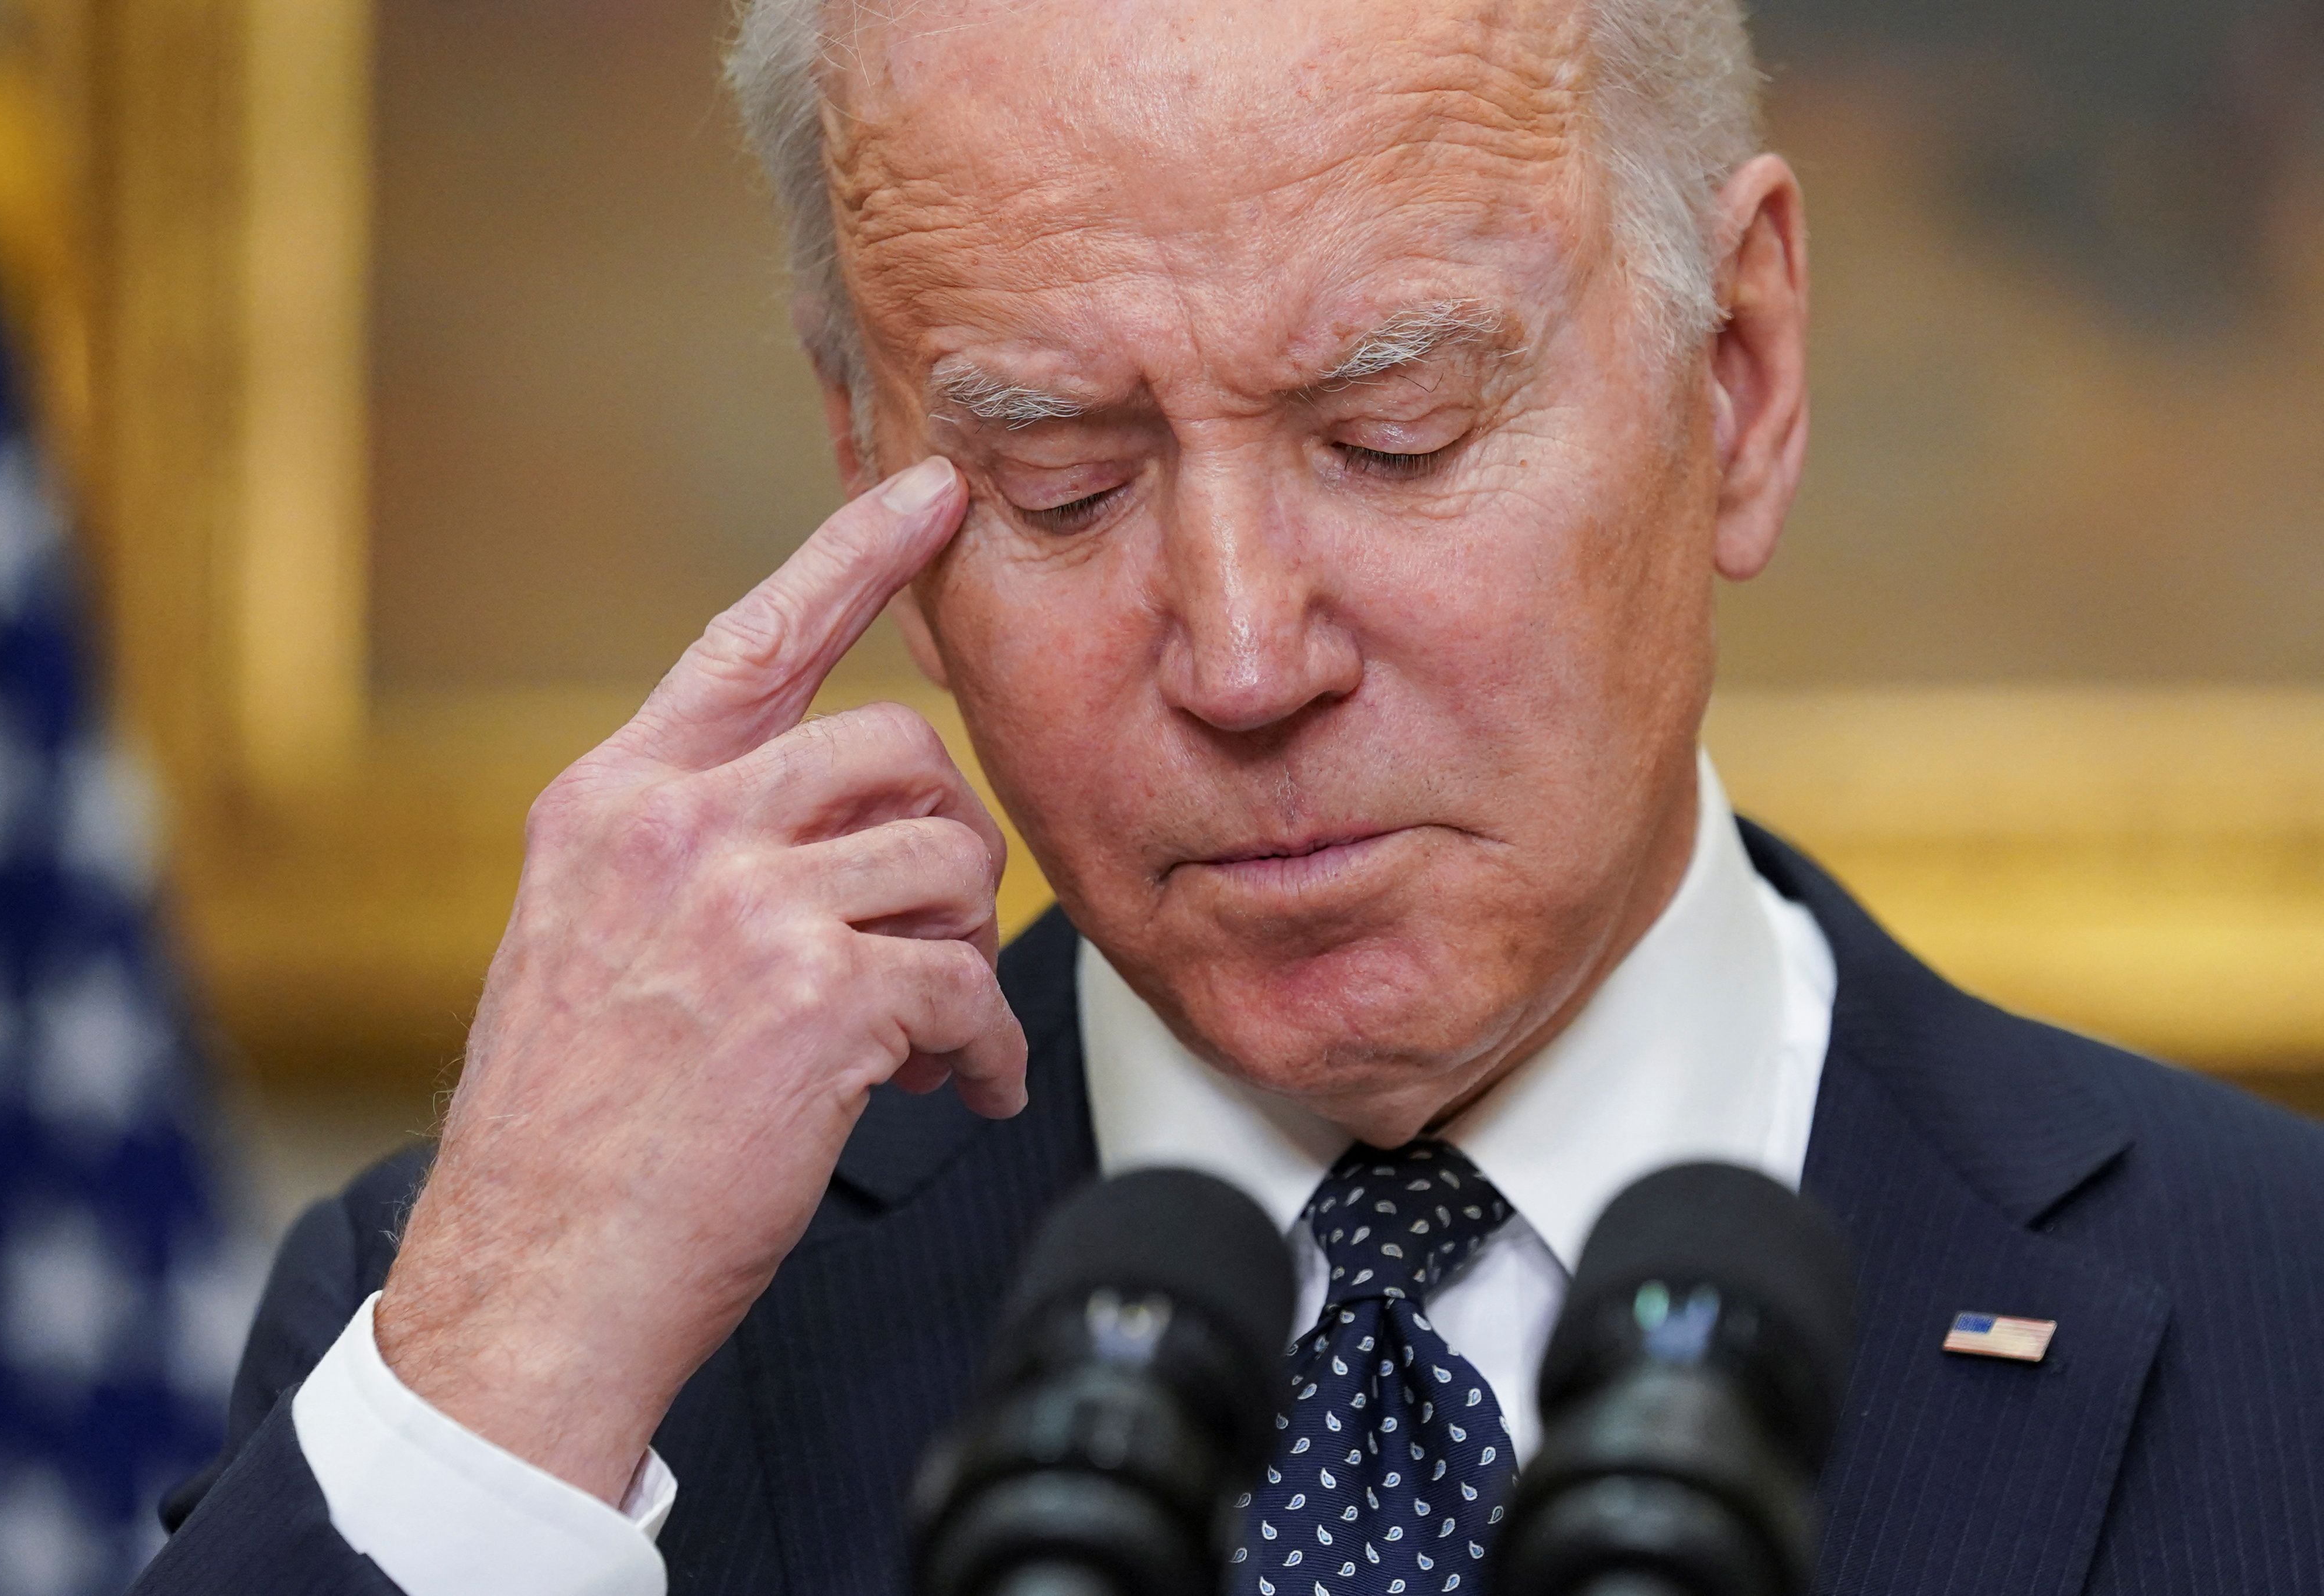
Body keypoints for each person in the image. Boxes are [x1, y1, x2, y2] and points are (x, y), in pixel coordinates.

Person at [135, 0, 2324, 1592]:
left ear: (1737, 374)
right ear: (871, 464)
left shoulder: (2282, 1323)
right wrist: (510, 1370)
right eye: (1060, 485)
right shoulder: (504, 1342)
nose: (1247, 656)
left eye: (1395, 438)